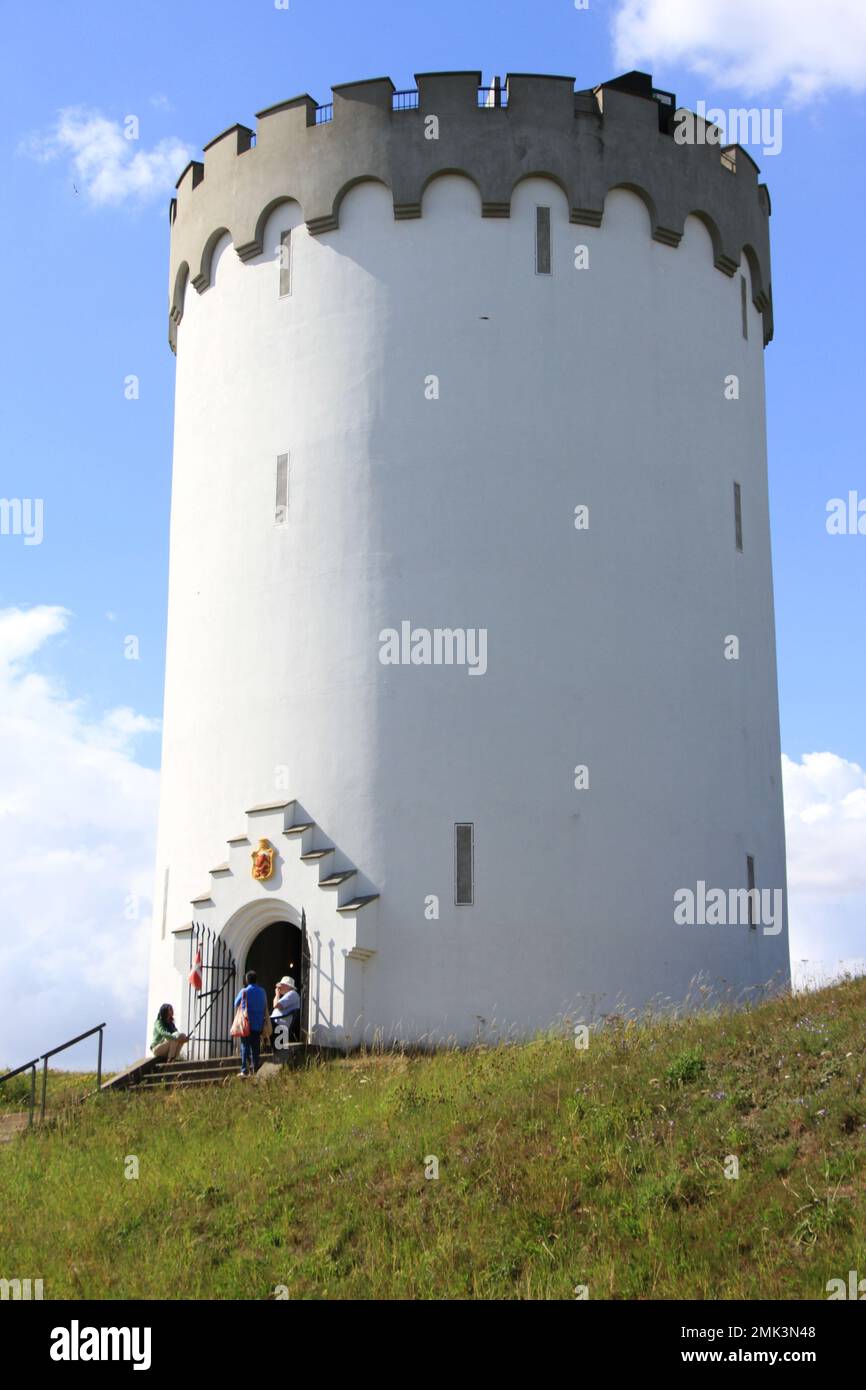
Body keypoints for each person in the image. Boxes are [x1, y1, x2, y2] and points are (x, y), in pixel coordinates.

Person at [234, 969, 268, 1076]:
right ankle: (255, 1068)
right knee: (256, 1047)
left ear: (247, 980)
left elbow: (236, 1003)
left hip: (246, 1023)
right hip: (258, 1023)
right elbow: (265, 1004)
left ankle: (244, 1070)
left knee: (245, 1046)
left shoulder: (244, 991)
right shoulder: (262, 991)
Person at [271, 976, 301, 1050]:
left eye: (281, 985)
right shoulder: (289, 994)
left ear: (287, 986)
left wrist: (277, 994)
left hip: (281, 1023)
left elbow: (275, 1005)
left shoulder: (292, 994)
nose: (279, 988)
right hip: (278, 1021)